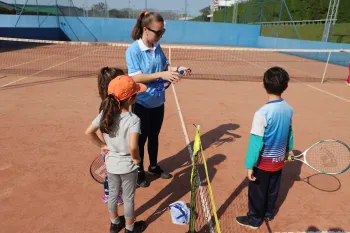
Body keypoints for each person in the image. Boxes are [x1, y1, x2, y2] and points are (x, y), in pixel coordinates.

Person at [125, 11, 191, 187]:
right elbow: (136, 77)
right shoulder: (133, 50)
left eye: (163, 32)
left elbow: (164, 66)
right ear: (146, 29)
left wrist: (177, 68)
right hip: (141, 103)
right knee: (141, 139)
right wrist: (162, 74)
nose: (161, 35)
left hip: (158, 102)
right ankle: (138, 170)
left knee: (154, 136)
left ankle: (153, 167)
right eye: (158, 32)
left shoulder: (157, 47)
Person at [85, 75, 147, 233]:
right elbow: (133, 146)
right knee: (128, 199)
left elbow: (89, 132)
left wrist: (102, 145)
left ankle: (114, 224)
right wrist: (135, 158)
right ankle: (130, 228)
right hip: (128, 167)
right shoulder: (134, 119)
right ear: (131, 99)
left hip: (111, 165)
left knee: (112, 195)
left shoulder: (105, 114)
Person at [235, 67, 294, 229]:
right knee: (273, 189)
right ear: (285, 86)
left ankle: (254, 219)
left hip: (262, 163)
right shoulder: (289, 109)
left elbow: (256, 142)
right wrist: (289, 149)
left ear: (264, 84)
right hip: (278, 160)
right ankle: (268, 213)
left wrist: (249, 165)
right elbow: (289, 132)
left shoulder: (262, 113)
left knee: (257, 192)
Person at [97, 67, 125, 205]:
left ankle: (114, 192)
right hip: (112, 148)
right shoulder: (108, 106)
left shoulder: (113, 103)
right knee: (111, 174)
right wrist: (104, 146)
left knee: (114, 173)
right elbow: (98, 129)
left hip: (116, 146)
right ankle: (109, 195)